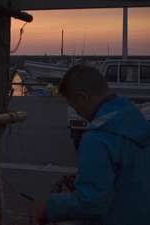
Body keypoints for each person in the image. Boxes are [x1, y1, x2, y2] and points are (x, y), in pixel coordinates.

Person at [35, 65, 150, 225]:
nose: (79, 113)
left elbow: (91, 204)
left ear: (82, 98)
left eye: (75, 108)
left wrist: (49, 207)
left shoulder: (96, 137)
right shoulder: (136, 117)